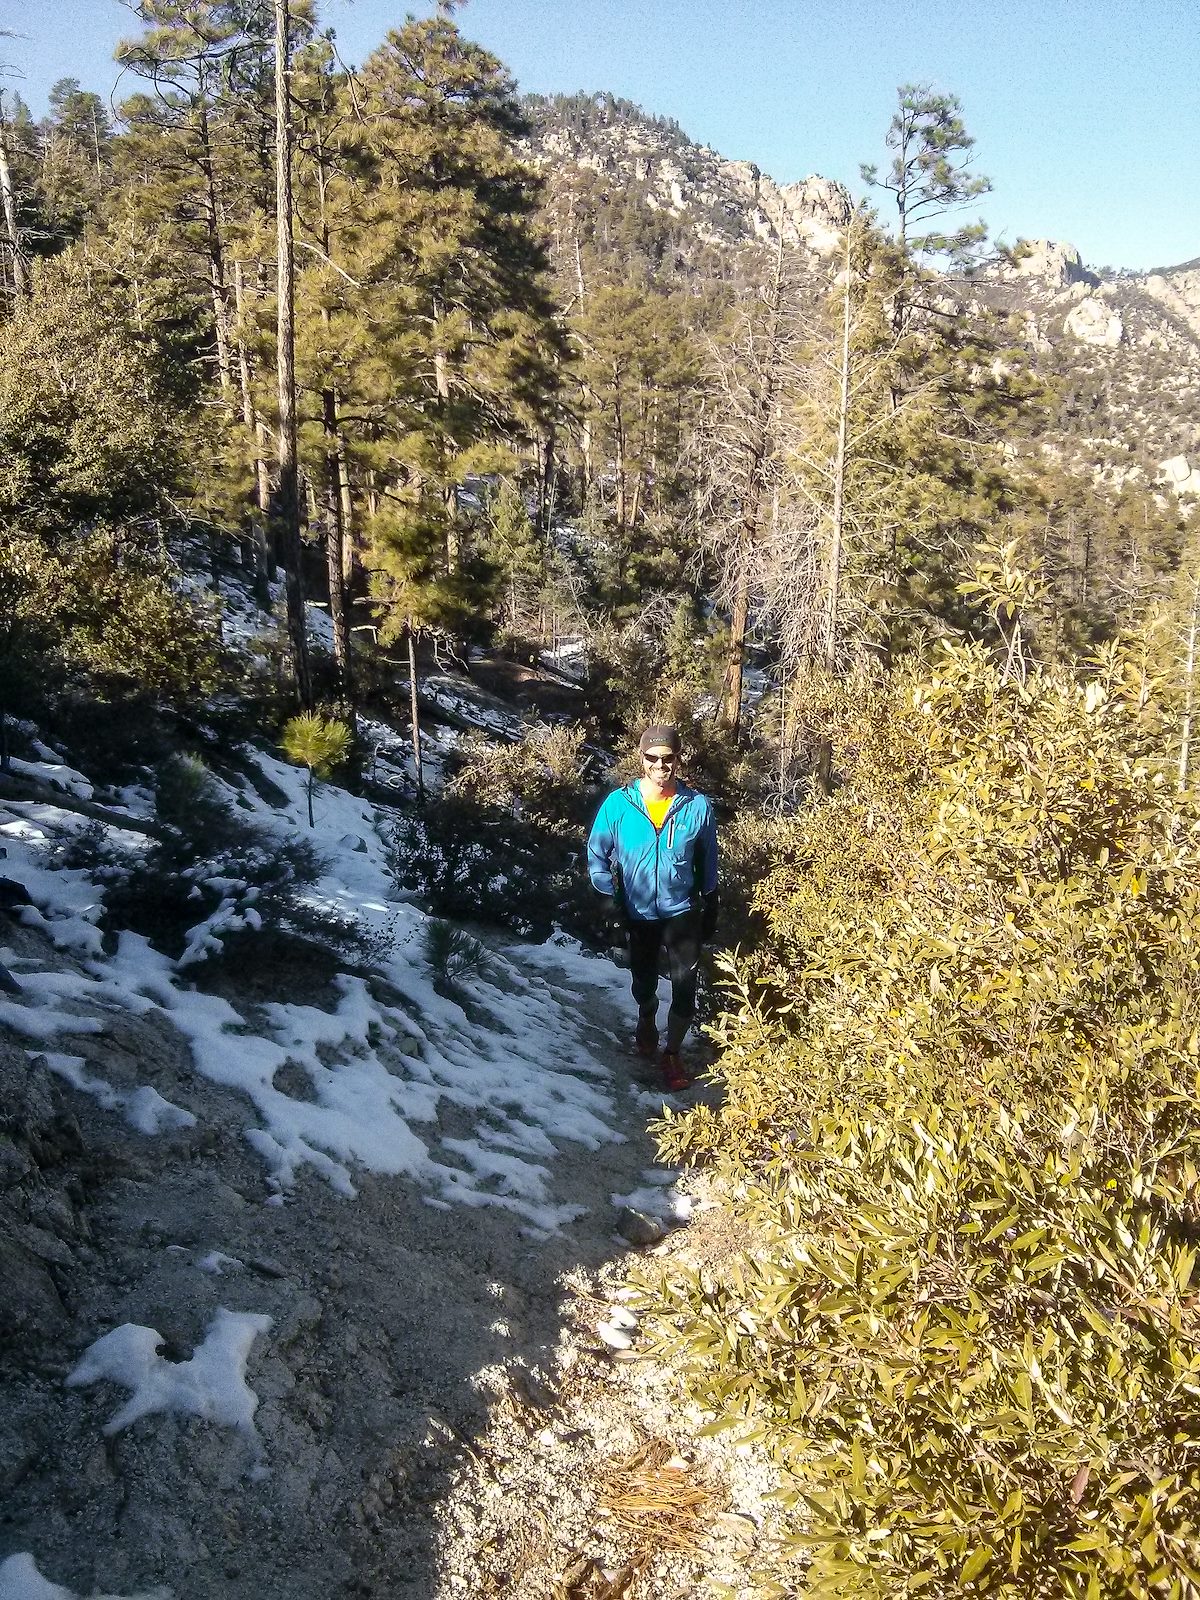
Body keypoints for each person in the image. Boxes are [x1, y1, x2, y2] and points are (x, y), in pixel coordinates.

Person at [587, 723, 719, 1092]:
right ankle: (646, 1016)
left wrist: (711, 902)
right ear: (641, 758)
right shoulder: (618, 805)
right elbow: (597, 854)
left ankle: (672, 1052)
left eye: (668, 758)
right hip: (638, 912)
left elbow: (708, 860)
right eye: (652, 758)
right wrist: (607, 902)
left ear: (678, 759)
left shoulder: (697, 807)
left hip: (682, 913)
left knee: (684, 988)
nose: (660, 765)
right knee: (643, 982)